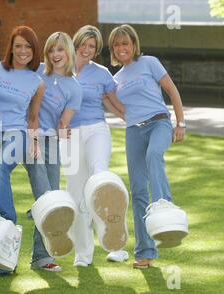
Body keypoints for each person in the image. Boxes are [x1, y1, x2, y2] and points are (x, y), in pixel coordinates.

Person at [0, 26, 64, 275]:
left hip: (18, 134)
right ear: (11, 48)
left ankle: (10, 224)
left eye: (28, 46)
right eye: (18, 46)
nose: (23, 51)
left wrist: (34, 142)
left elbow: (33, 117)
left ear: (34, 50)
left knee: (1, 169)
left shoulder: (37, 81)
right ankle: (3, 254)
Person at [108, 24, 186, 269]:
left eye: (125, 43)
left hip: (159, 123)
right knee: (139, 190)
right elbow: (114, 105)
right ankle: (145, 252)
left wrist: (180, 123)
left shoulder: (150, 62)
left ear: (134, 44)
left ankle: (164, 207)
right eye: (117, 45)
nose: (121, 48)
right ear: (113, 49)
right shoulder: (115, 79)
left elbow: (172, 91)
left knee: (154, 155)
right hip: (134, 131)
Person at [59, 25, 128, 268]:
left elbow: (116, 104)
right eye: (84, 44)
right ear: (75, 43)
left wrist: (143, 120)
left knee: (101, 183)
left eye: (93, 47)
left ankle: (115, 245)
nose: (87, 50)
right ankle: (83, 254)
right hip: (68, 136)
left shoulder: (101, 74)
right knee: (76, 193)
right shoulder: (59, 70)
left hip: (97, 129)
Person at [26, 32, 82, 270]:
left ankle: (41, 257)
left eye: (60, 50)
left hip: (51, 143)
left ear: (68, 52)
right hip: (27, 137)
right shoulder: (35, 72)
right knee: (47, 197)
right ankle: (37, 210)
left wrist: (63, 131)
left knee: (50, 198)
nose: (55, 55)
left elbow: (63, 123)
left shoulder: (74, 87)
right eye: (51, 50)